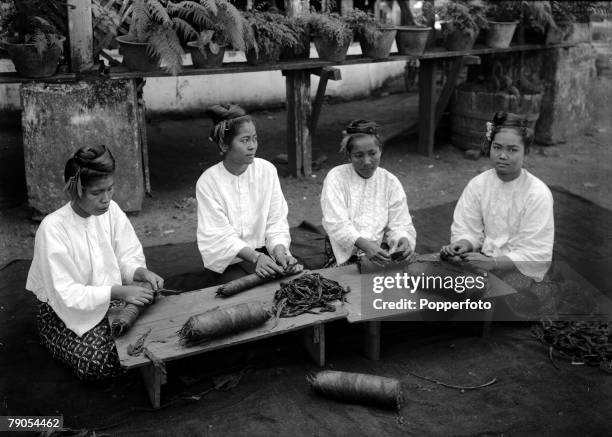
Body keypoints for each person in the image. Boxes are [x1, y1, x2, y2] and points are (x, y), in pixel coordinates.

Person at [26, 145, 164, 380]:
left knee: (160, 315)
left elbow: (127, 255)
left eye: (110, 189)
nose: (106, 198)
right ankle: (52, 336)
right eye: (97, 192)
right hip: (63, 311)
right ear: (75, 190)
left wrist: (140, 272)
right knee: (99, 360)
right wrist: (119, 291)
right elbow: (66, 294)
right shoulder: (52, 229)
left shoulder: (112, 211)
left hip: (112, 297)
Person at [441, 111, 554, 286]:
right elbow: (467, 227)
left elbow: (535, 253)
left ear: (527, 152)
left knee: (491, 296)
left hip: (517, 269)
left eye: (512, 149)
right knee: (431, 276)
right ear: (490, 146)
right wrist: (464, 243)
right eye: (497, 147)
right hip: (481, 259)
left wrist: (493, 264)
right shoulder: (478, 184)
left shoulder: (537, 194)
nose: (502, 155)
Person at [196, 104, 297, 284]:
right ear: (224, 144)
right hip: (229, 258)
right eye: (244, 140)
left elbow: (276, 219)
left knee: (296, 281)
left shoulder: (267, 170)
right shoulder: (208, 182)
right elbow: (219, 235)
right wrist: (256, 258)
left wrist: (280, 250)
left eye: (254, 139)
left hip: (267, 252)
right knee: (249, 294)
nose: (252, 146)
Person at [321, 119, 417, 267]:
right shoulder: (336, 177)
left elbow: (400, 223)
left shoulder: (390, 182)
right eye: (358, 155)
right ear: (349, 156)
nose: (367, 161)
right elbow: (336, 224)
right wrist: (364, 245)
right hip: (343, 252)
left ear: (380, 151)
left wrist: (403, 239)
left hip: (378, 250)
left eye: (372, 153)